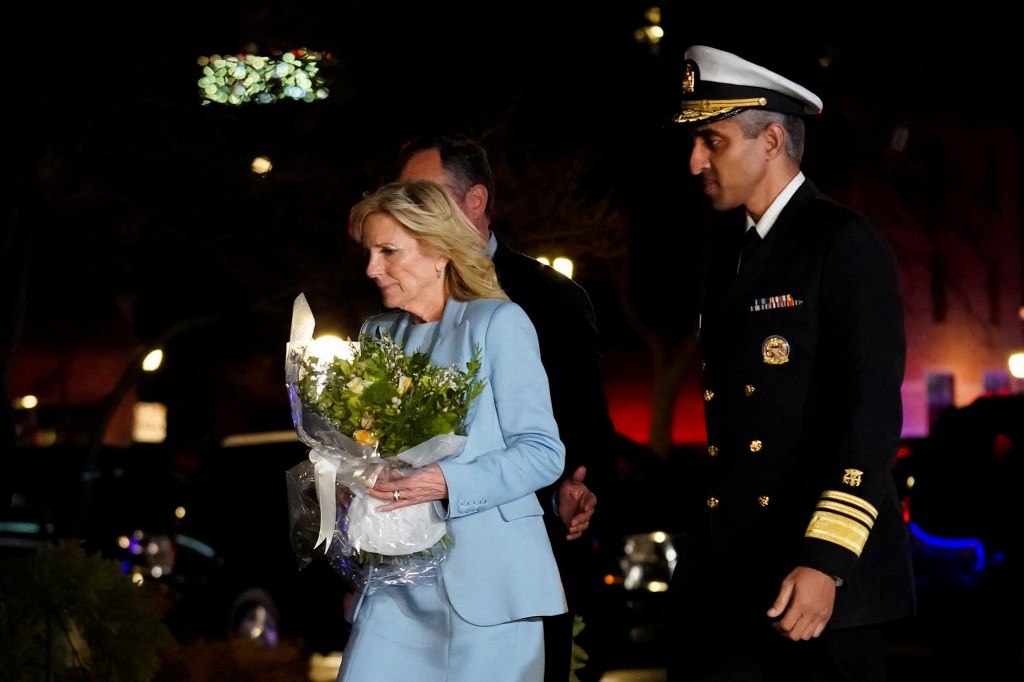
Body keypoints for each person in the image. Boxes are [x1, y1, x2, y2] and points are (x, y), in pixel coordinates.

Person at [666, 45, 917, 681]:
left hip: (813, 579)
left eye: (712, 142)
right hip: (734, 575)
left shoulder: (844, 243)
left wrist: (826, 558)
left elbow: (870, 414)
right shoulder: (732, 260)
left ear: (771, 139)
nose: (695, 161)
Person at [396, 134, 618, 680]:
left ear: (475, 202)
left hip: (520, 559)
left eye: (423, 196)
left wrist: (576, 490)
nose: (406, 213)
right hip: (413, 569)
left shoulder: (548, 298)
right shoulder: (395, 307)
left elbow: (582, 427)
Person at [337, 179, 567, 681]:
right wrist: (346, 478)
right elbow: (364, 448)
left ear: (439, 251)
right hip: (395, 584)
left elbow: (543, 452)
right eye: (370, 252)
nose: (372, 268)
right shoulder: (378, 334)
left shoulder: (499, 323)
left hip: (491, 585)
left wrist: (446, 481)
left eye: (388, 251)